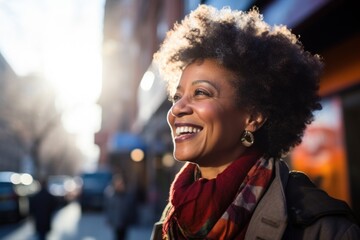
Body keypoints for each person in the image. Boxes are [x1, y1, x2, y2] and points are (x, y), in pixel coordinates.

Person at [150, 4, 360, 240]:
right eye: (177, 97)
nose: (177, 108)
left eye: (201, 93)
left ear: (253, 118)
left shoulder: (325, 230)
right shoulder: (173, 215)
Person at [104, 173, 135, 240]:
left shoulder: (127, 196)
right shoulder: (112, 195)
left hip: (124, 222)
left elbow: (131, 208)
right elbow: (109, 209)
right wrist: (109, 219)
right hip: (116, 222)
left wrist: (131, 219)